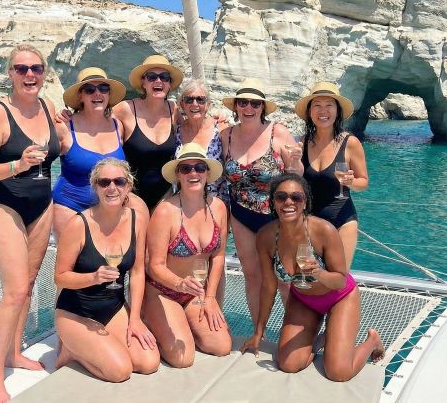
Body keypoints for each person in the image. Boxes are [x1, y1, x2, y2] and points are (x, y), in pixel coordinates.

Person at [0, 44, 62, 403]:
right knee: (13, 291)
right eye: (22, 69)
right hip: (4, 204)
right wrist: (18, 165)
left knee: (27, 284)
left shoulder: (48, 107)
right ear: (10, 73)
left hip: (42, 204)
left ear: (44, 73)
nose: (30, 75)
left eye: (36, 69)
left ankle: (14, 352)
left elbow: (63, 144)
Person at [241, 173, 384, 382]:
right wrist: (258, 332)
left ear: (305, 202)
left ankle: (372, 340)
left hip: (339, 297)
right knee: (288, 365)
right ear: (273, 202)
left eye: (296, 197)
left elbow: (340, 280)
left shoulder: (323, 230)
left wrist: (318, 273)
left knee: (338, 373)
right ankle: (323, 339)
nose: (288, 202)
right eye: (281, 197)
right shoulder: (266, 237)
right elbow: (269, 287)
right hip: (303, 300)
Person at [54, 158, 160, 382]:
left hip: (114, 307)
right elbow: (60, 277)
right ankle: (72, 350)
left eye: (119, 181)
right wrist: (93, 277)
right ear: (95, 187)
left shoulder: (137, 220)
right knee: (120, 371)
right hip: (76, 312)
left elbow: (138, 271)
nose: (112, 188)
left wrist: (136, 320)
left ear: (128, 186)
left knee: (149, 363)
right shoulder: (78, 224)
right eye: (104, 183)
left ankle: (94, 345)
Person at [220, 78, 302, 324]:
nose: (248, 108)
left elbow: (297, 175)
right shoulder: (226, 135)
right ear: (235, 106)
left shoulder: (277, 132)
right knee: (252, 276)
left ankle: (295, 333)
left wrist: (296, 161)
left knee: (283, 279)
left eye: (255, 103)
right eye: (243, 102)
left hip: (276, 218)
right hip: (241, 215)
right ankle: (258, 331)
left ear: (262, 108)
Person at [143, 143, 232, 367]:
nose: (194, 173)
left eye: (200, 167)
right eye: (186, 169)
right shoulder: (165, 211)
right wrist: (180, 283)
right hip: (162, 291)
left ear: (208, 174)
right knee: (182, 359)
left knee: (221, 347)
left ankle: (182, 321)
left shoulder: (218, 208)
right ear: (178, 176)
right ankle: (151, 318)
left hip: (194, 294)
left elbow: (219, 256)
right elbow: (155, 265)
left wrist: (210, 299)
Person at [52, 67, 148, 236]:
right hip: (70, 207)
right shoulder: (65, 126)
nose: (97, 94)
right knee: (71, 262)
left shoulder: (118, 126)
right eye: (90, 90)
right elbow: (40, 165)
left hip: (110, 209)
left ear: (108, 94)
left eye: (103, 89)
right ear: (80, 96)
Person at [295, 82, 368, 270]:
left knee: (337, 279)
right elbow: (292, 180)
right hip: (309, 222)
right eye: (317, 105)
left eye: (329, 105)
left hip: (342, 220)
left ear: (337, 111)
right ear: (310, 111)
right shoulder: (301, 144)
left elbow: (363, 183)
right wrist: (291, 162)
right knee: (310, 279)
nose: (323, 111)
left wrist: (351, 182)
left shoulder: (350, 143)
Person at [112, 55, 184, 210]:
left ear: (169, 84)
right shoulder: (126, 109)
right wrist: (70, 115)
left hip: (165, 199)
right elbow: (97, 121)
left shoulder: (174, 110)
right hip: (130, 198)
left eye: (164, 77)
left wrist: (219, 120)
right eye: (152, 77)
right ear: (143, 83)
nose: (158, 81)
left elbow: (194, 130)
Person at [174, 78, 228, 200]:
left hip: (217, 203)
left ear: (208, 105)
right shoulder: (176, 131)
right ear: (182, 105)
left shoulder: (220, 128)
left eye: (200, 99)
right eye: (189, 99)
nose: (194, 104)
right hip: (186, 202)